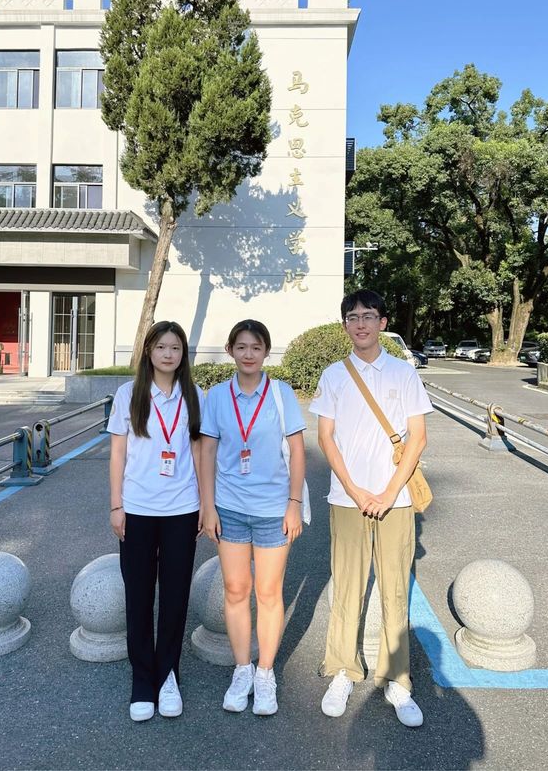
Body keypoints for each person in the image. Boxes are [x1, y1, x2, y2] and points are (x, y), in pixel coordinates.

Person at [309, 289, 433, 727]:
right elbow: (325, 438)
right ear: (345, 325)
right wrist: (357, 491)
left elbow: (417, 437)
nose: (360, 324)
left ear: (382, 322)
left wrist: (388, 492)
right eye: (352, 317)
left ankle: (397, 680)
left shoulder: (404, 372)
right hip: (348, 499)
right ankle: (343, 670)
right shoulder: (333, 376)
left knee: (395, 589)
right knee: (347, 586)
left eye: (368, 316)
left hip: (396, 500)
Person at [199, 319, 306, 716]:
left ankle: (265, 673)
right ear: (230, 351)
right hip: (229, 507)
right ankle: (242, 668)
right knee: (235, 589)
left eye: (256, 347)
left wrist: (294, 503)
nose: (248, 354)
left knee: (269, 592)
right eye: (241, 347)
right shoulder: (216, 396)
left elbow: (298, 450)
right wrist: (207, 506)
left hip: (273, 510)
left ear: (266, 352)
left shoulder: (281, 393)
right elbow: (207, 452)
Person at [108, 321, 204, 722]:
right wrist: (116, 506)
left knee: (175, 598)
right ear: (149, 351)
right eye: (161, 347)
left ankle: (168, 676)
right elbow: (118, 453)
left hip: (182, 509)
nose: (168, 354)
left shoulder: (195, 395)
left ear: (183, 354)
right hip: (137, 509)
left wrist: (205, 505)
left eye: (175, 348)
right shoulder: (128, 394)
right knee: (139, 596)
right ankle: (142, 680)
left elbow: (199, 453)